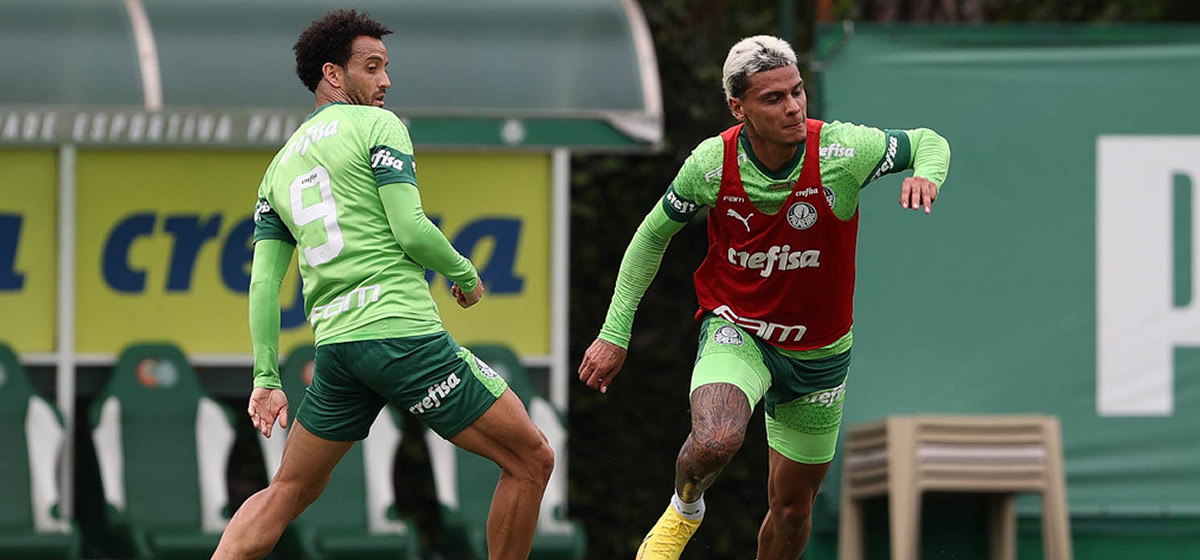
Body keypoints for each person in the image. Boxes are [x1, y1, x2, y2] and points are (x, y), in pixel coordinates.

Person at [577, 35, 951, 560]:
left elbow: (929, 140)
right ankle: (684, 511)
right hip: (739, 332)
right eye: (774, 98)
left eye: (797, 91)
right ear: (739, 107)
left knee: (794, 509)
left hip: (819, 354)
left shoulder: (843, 152)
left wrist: (925, 175)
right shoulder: (712, 163)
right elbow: (651, 235)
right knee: (714, 441)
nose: (794, 106)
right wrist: (614, 333)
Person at [211, 10, 553, 560]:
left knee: (287, 489)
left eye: (386, 68)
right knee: (531, 459)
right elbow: (412, 229)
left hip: (339, 351)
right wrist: (464, 273)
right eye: (372, 68)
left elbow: (263, 284)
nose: (386, 82)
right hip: (401, 337)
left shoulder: (277, 168)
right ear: (333, 75)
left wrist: (266, 376)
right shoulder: (380, 126)